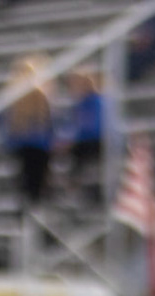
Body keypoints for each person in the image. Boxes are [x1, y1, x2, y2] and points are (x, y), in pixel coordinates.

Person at [1, 56, 55, 207]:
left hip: (26, 145)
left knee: (28, 179)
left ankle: (30, 206)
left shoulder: (14, 94)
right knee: (34, 180)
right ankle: (33, 206)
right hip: (36, 144)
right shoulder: (37, 93)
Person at [58, 66, 106, 207]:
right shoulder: (80, 104)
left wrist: (71, 139)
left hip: (96, 142)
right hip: (84, 143)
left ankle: (78, 190)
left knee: (80, 160)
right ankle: (72, 191)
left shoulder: (97, 101)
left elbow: (94, 127)